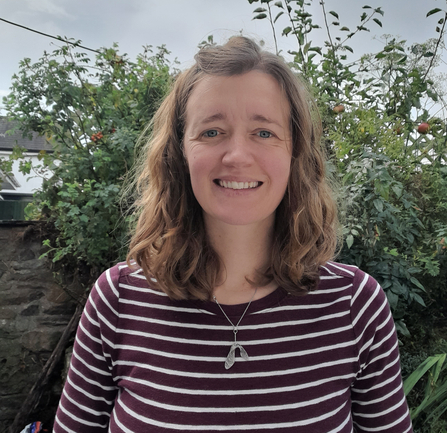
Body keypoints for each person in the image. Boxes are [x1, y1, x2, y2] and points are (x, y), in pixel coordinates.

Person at [53, 36, 413, 432]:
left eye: (263, 132)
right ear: (180, 151)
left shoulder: (353, 305)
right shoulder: (118, 301)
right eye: (211, 132)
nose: (237, 155)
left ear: (295, 152)